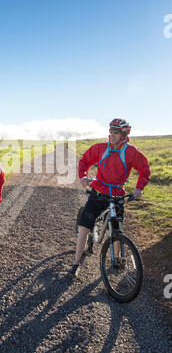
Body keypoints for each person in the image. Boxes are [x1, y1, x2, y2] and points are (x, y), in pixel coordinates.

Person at [71, 118, 150, 277]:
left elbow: (144, 169)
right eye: (111, 131)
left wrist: (139, 188)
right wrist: (83, 176)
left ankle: (118, 261)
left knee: (117, 229)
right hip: (98, 192)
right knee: (84, 228)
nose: (112, 135)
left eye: (116, 132)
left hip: (117, 195)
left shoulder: (130, 152)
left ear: (124, 134)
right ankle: (76, 262)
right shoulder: (101, 148)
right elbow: (85, 160)